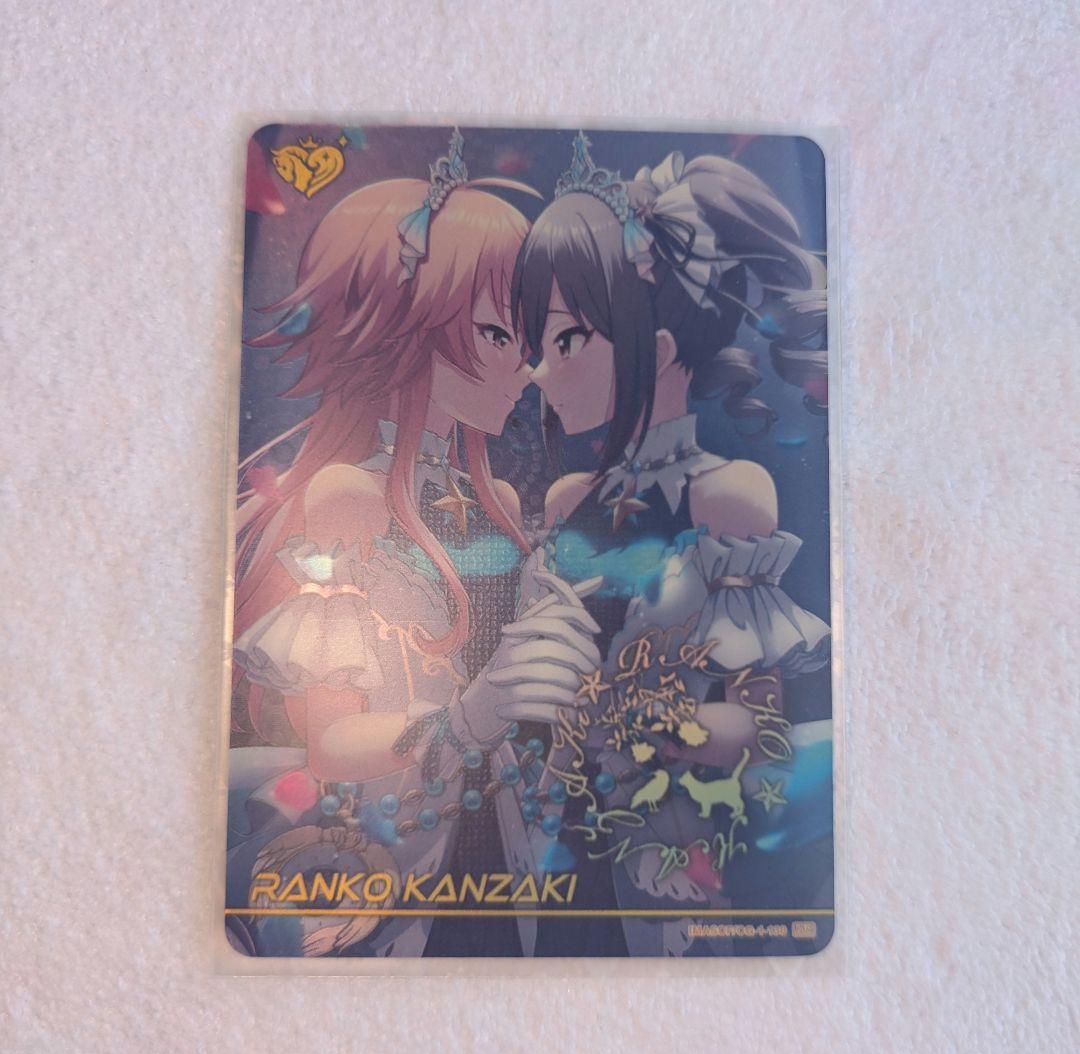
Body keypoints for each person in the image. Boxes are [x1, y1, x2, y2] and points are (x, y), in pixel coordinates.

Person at [226, 130, 597, 958]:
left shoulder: (497, 503)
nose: (527, 367)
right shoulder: (346, 499)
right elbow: (330, 743)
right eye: (497, 335)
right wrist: (468, 718)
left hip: (505, 845)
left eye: (528, 338)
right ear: (406, 330)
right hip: (390, 858)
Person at [506, 133, 833, 956]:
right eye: (535, 345)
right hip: (545, 846)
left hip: (665, 850)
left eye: (566, 341)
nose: (537, 371)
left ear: (654, 352)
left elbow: (762, 725)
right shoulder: (567, 499)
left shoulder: (726, 497)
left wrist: (650, 723)